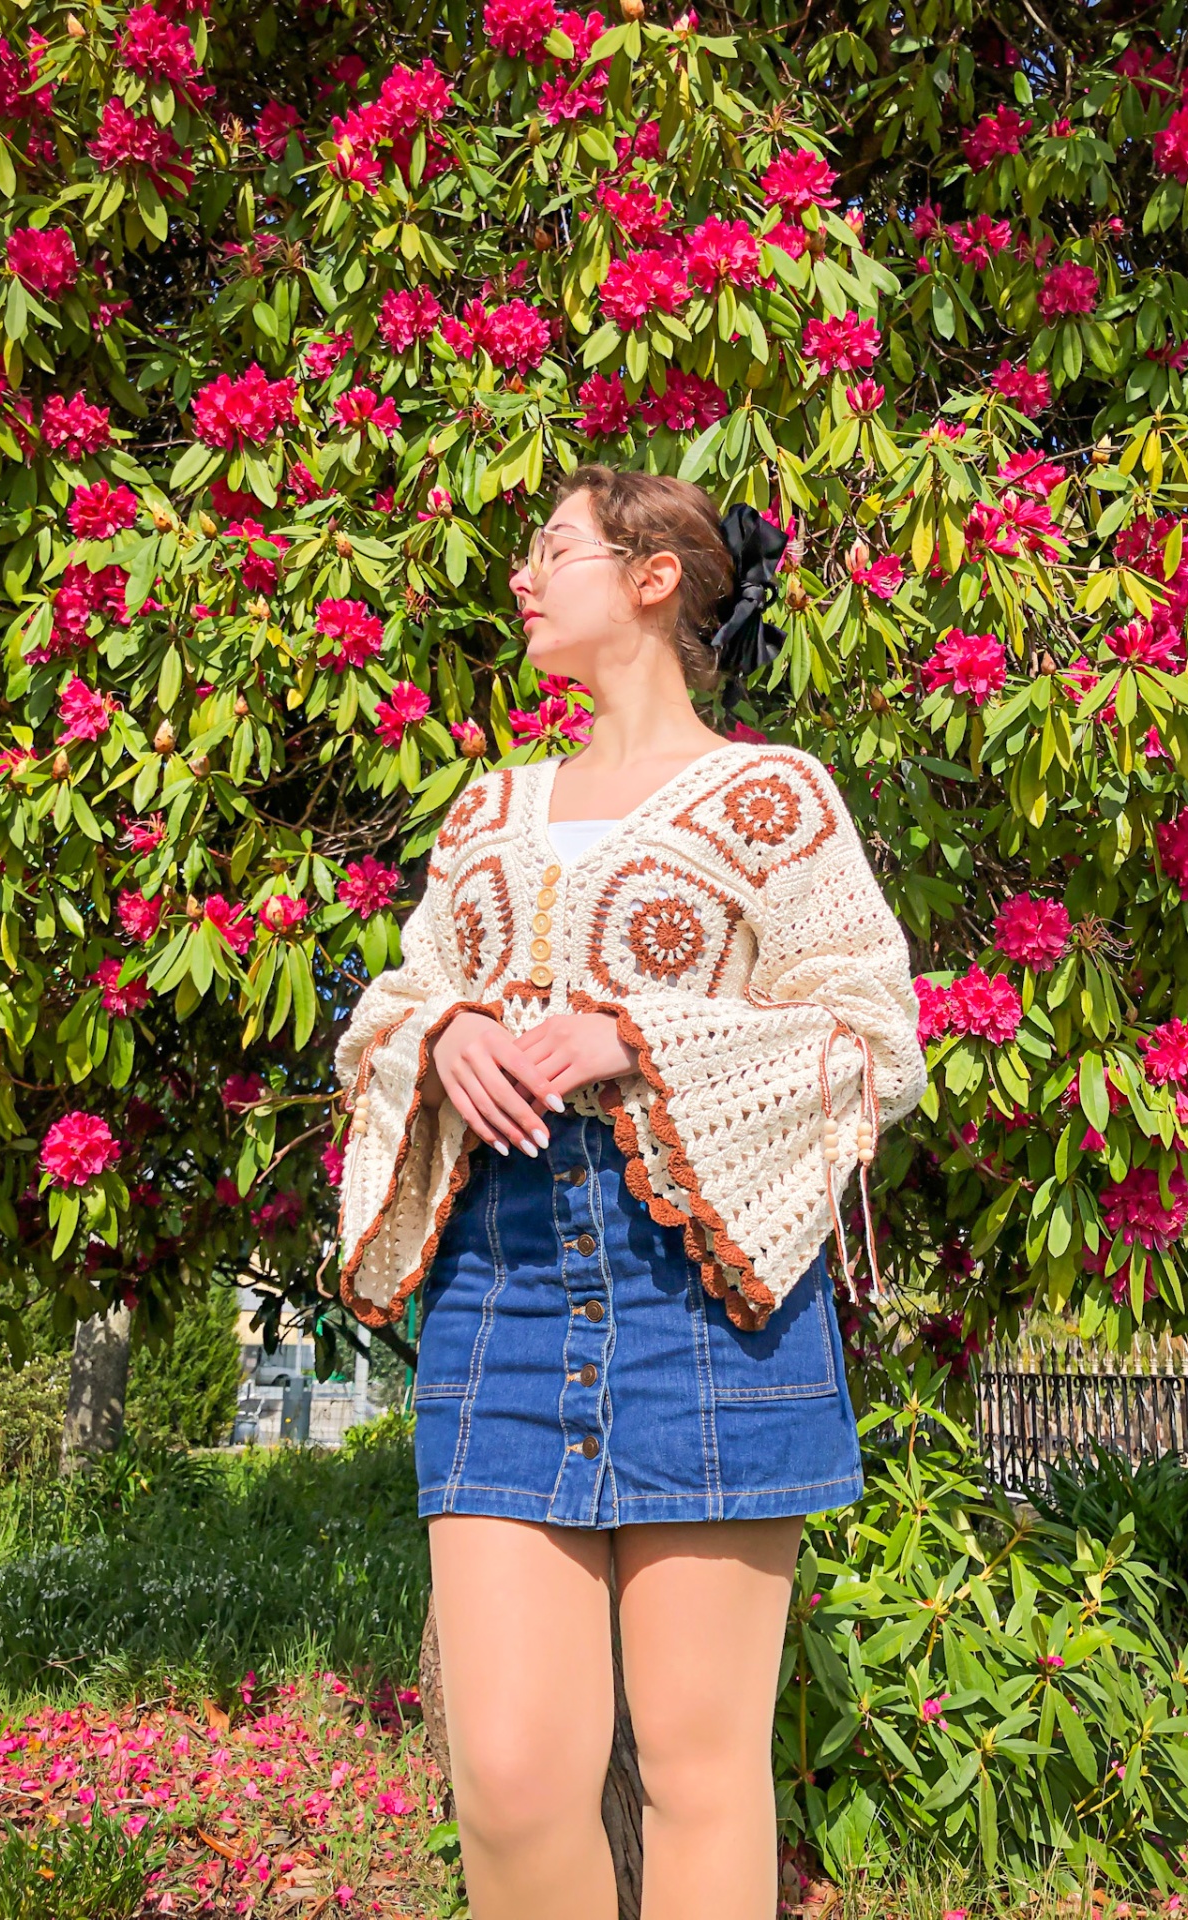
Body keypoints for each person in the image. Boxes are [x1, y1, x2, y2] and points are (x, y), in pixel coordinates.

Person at [332, 464, 927, 1920]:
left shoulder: (773, 796)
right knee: (516, 1782)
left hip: (708, 1294)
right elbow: (392, 1004)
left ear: (655, 578)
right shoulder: (485, 813)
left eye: (553, 550)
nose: (525, 579)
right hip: (504, 1283)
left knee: (697, 1771)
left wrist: (639, 1036)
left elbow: (873, 1037)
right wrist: (446, 1030)